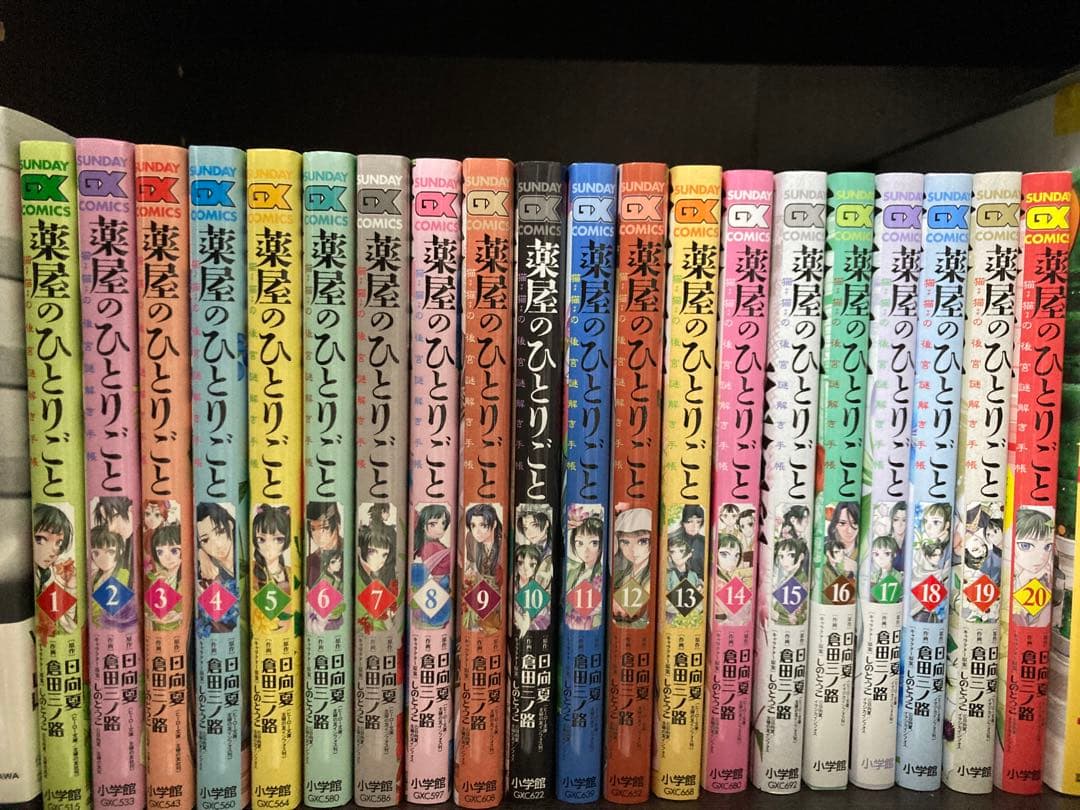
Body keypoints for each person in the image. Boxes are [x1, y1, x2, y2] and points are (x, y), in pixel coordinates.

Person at [33, 504, 78, 639]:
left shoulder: (49, 575)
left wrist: (70, 586)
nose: (53, 551)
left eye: (59, 543)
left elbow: (67, 625)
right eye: (40, 539)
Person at [195, 502, 239, 635]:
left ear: (230, 525)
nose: (217, 544)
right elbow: (216, 622)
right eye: (205, 540)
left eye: (219, 532)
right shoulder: (207, 570)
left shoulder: (245, 553)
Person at [1011, 508, 1054, 626]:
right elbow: (1015, 621)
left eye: (1047, 546)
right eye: (1026, 546)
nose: (1041, 557)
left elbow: (1041, 623)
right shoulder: (1005, 576)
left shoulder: (1047, 579)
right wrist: (1023, 579)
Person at [611, 508, 651, 626]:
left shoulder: (652, 578)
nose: (633, 550)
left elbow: (627, 611)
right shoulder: (621, 573)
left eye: (642, 541)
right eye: (625, 542)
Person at [565, 515, 604, 630]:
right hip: (571, 626)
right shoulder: (572, 572)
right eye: (580, 543)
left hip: (592, 627)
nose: (585, 550)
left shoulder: (603, 574)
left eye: (594, 543)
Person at [149, 523, 183, 629]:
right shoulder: (157, 578)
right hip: (160, 630)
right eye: (160, 552)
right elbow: (150, 610)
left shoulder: (186, 577)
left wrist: (180, 615)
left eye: (174, 551)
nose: (167, 557)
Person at [306, 502, 342, 588]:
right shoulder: (309, 562)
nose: (318, 535)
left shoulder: (351, 554)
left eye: (325, 528)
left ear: (338, 526)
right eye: (313, 529)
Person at [669, 504, 706, 582]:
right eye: (689, 521)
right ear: (683, 522)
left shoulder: (704, 541)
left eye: (698, 522)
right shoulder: (671, 539)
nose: (694, 526)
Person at [413, 503, 452, 577]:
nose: (440, 528)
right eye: (433, 524)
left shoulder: (434, 544)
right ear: (423, 526)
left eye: (443, 523)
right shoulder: (430, 546)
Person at [465, 503, 501, 579]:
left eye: (483, 525)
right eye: (473, 526)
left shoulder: (503, 544)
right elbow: (470, 563)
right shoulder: (470, 538)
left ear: (494, 524)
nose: (477, 532)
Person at [826, 501, 859, 576]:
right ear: (835, 524)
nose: (849, 530)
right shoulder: (825, 547)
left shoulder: (865, 550)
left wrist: (855, 570)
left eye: (854, 523)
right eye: (843, 523)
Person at [869, 535, 901, 603]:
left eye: (887, 553)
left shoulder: (898, 576)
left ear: (894, 554)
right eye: (876, 554)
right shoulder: (874, 575)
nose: (881, 558)